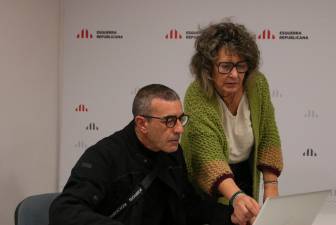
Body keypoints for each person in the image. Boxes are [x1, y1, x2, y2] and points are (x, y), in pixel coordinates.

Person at [49, 84, 214, 225]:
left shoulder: (172, 152)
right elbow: (64, 211)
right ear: (142, 124)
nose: (179, 129)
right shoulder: (104, 156)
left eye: (180, 119)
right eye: (169, 121)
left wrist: (232, 213)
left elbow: (189, 206)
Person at [180, 21, 283, 225]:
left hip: (244, 173)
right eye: (225, 66)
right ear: (207, 67)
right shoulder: (197, 93)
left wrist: (271, 189)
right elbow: (208, 156)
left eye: (241, 65)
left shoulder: (257, 84)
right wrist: (236, 197)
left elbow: (268, 134)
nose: (234, 74)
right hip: (205, 182)